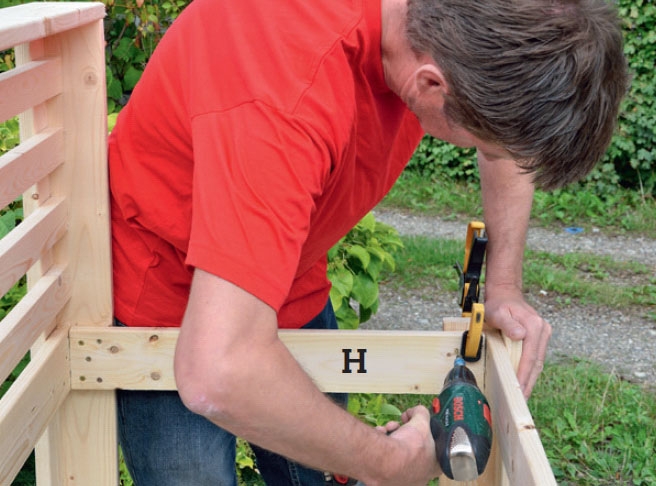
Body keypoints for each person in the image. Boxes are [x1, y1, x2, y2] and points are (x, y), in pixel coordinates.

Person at [107, 0, 629, 484]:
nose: (490, 156)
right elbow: (218, 372)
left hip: (290, 275)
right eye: (485, 147)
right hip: (167, 299)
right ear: (430, 84)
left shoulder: (451, 29)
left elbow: (506, 137)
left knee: (314, 463)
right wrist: (390, 463)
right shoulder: (284, 97)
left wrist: (504, 285)